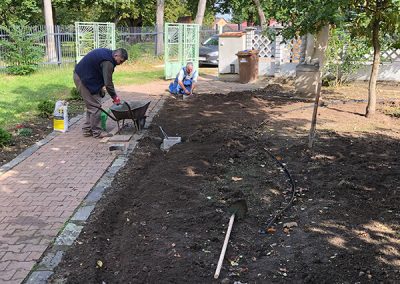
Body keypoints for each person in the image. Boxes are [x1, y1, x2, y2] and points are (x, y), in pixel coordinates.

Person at [73, 48, 128, 138]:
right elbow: (108, 83)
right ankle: (97, 133)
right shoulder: (108, 62)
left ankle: (87, 130)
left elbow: (99, 72)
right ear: (116, 55)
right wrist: (115, 97)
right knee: (96, 107)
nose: (120, 63)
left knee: (92, 105)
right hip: (83, 78)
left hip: (84, 76)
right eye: (120, 61)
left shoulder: (107, 54)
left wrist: (99, 88)